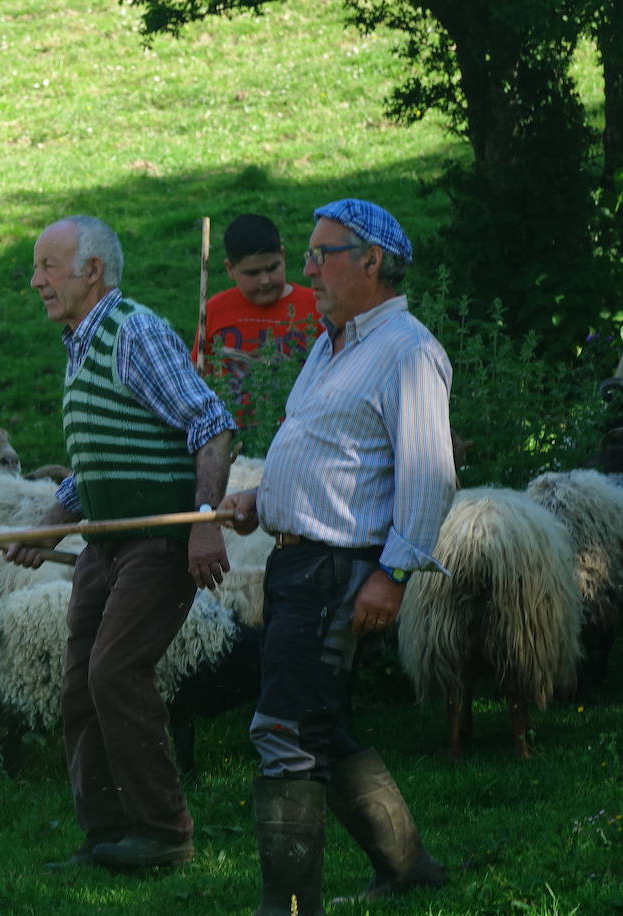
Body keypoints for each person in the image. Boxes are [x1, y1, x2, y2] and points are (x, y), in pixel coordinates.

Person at [218, 199, 456, 914]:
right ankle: (408, 866)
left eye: (324, 255)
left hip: (338, 571)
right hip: (299, 565)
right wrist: (265, 494)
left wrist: (394, 574)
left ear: (372, 261)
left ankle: (288, 904)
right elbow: (331, 450)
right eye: (311, 254)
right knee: (317, 724)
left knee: (284, 731)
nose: (309, 270)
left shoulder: (407, 351)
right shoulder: (333, 343)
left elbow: (430, 473)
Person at [5, 215, 235, 871]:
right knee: (80, 685)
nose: (36, 281)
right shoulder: (81, 345)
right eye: (37, 267)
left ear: (92, 270)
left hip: (157, 543)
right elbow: (101, 458)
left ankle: (165, 833)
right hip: (105, 547)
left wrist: (203, 520)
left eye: (48, 266)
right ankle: (105, 837)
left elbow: (211, 425)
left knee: (115, 671)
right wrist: (54, 518)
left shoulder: (133, 331)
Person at [190, 213, 320, 378]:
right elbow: (199, 370)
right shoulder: (214, 309)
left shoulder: (316, 305)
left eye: (273, 268)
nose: (265, 280)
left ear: (283, 256)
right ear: (230, 269)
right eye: (252, 273)